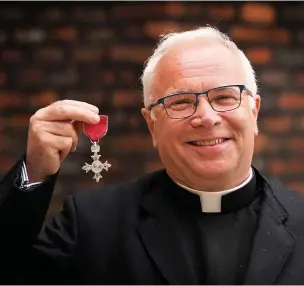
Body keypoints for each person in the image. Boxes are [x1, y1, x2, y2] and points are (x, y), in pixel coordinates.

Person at [1, 26, 304, 285]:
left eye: (225, 96)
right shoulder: (92, 226)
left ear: (254, 112)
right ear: (152, 124)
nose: (207, 117)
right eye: (180, 102)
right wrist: (35, 173)